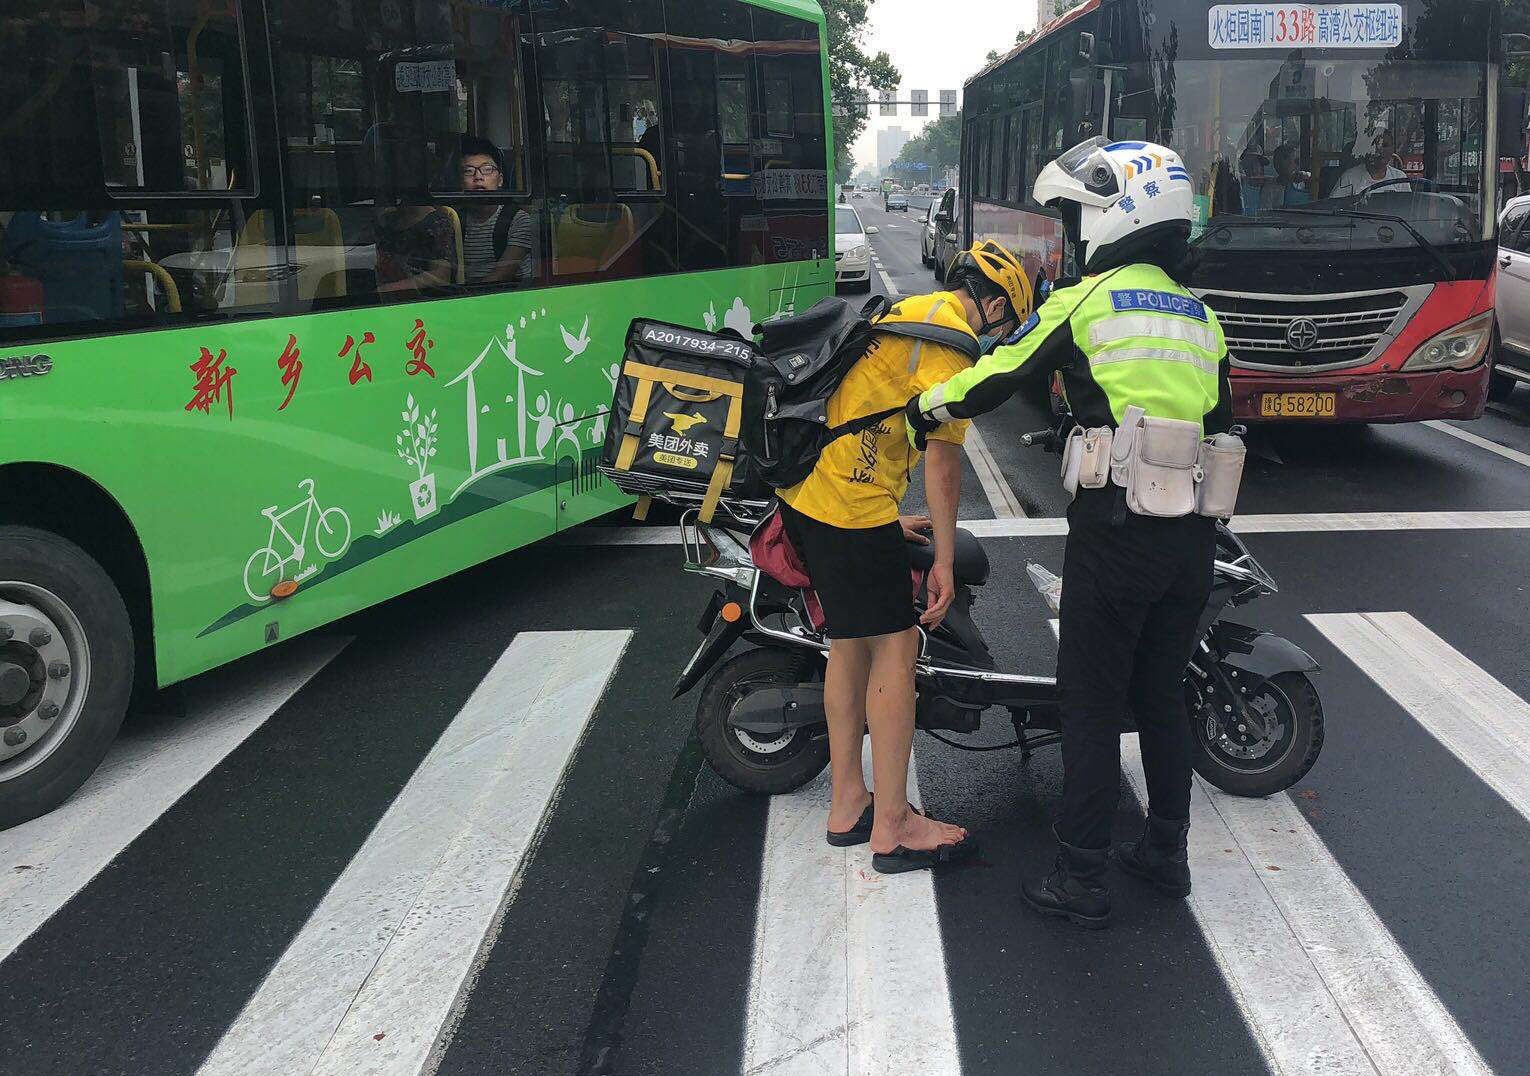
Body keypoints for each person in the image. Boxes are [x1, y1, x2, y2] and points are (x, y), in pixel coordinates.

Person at [907, 138, 1233, 927]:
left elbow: (1000, 373)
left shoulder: (1091, 299)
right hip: (1190, 539)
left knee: (1087, 703)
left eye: (1080, 215)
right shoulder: (1201, 317)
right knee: (1160, 698)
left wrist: (926, 407)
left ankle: (1082, 877)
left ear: (1117, 214)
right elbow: (1218, 420)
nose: (1076, 233)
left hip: (1116, 533)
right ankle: (1166, 853)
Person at [779, 241, 1032, 873]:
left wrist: (889, 515)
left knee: (848, 646)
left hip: (809, 498)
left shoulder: (905, 310)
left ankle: (848, 805)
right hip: (851, 514)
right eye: (1006, 323)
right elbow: (945, 463)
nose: (1001, 336)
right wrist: (943, 559)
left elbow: (862, 412)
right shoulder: (950, 345)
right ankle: (892, 826)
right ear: (994, 302)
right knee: (897, 648)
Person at [457, 135, 535, 286]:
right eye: (469, 171)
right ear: (460, 182)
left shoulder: (519, 220)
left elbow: (501, 275)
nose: (478, 177)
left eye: (487, 169)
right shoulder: (455, 220)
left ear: (500, 180)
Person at [1332, 126, 1407, 197]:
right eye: (1374, 146)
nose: (1380, 150)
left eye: (1385, 145)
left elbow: (1407, 207)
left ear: (1392, 149)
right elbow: (1334, 205)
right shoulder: (1350, 177)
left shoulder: (1400, 177)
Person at [1258, 144, 1312, 209]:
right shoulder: (1269, 187)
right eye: (1277, 161)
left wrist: (1306, 175)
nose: (1294, 164)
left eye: (1295, 161)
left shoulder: (1302, 182)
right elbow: (1265, 212)